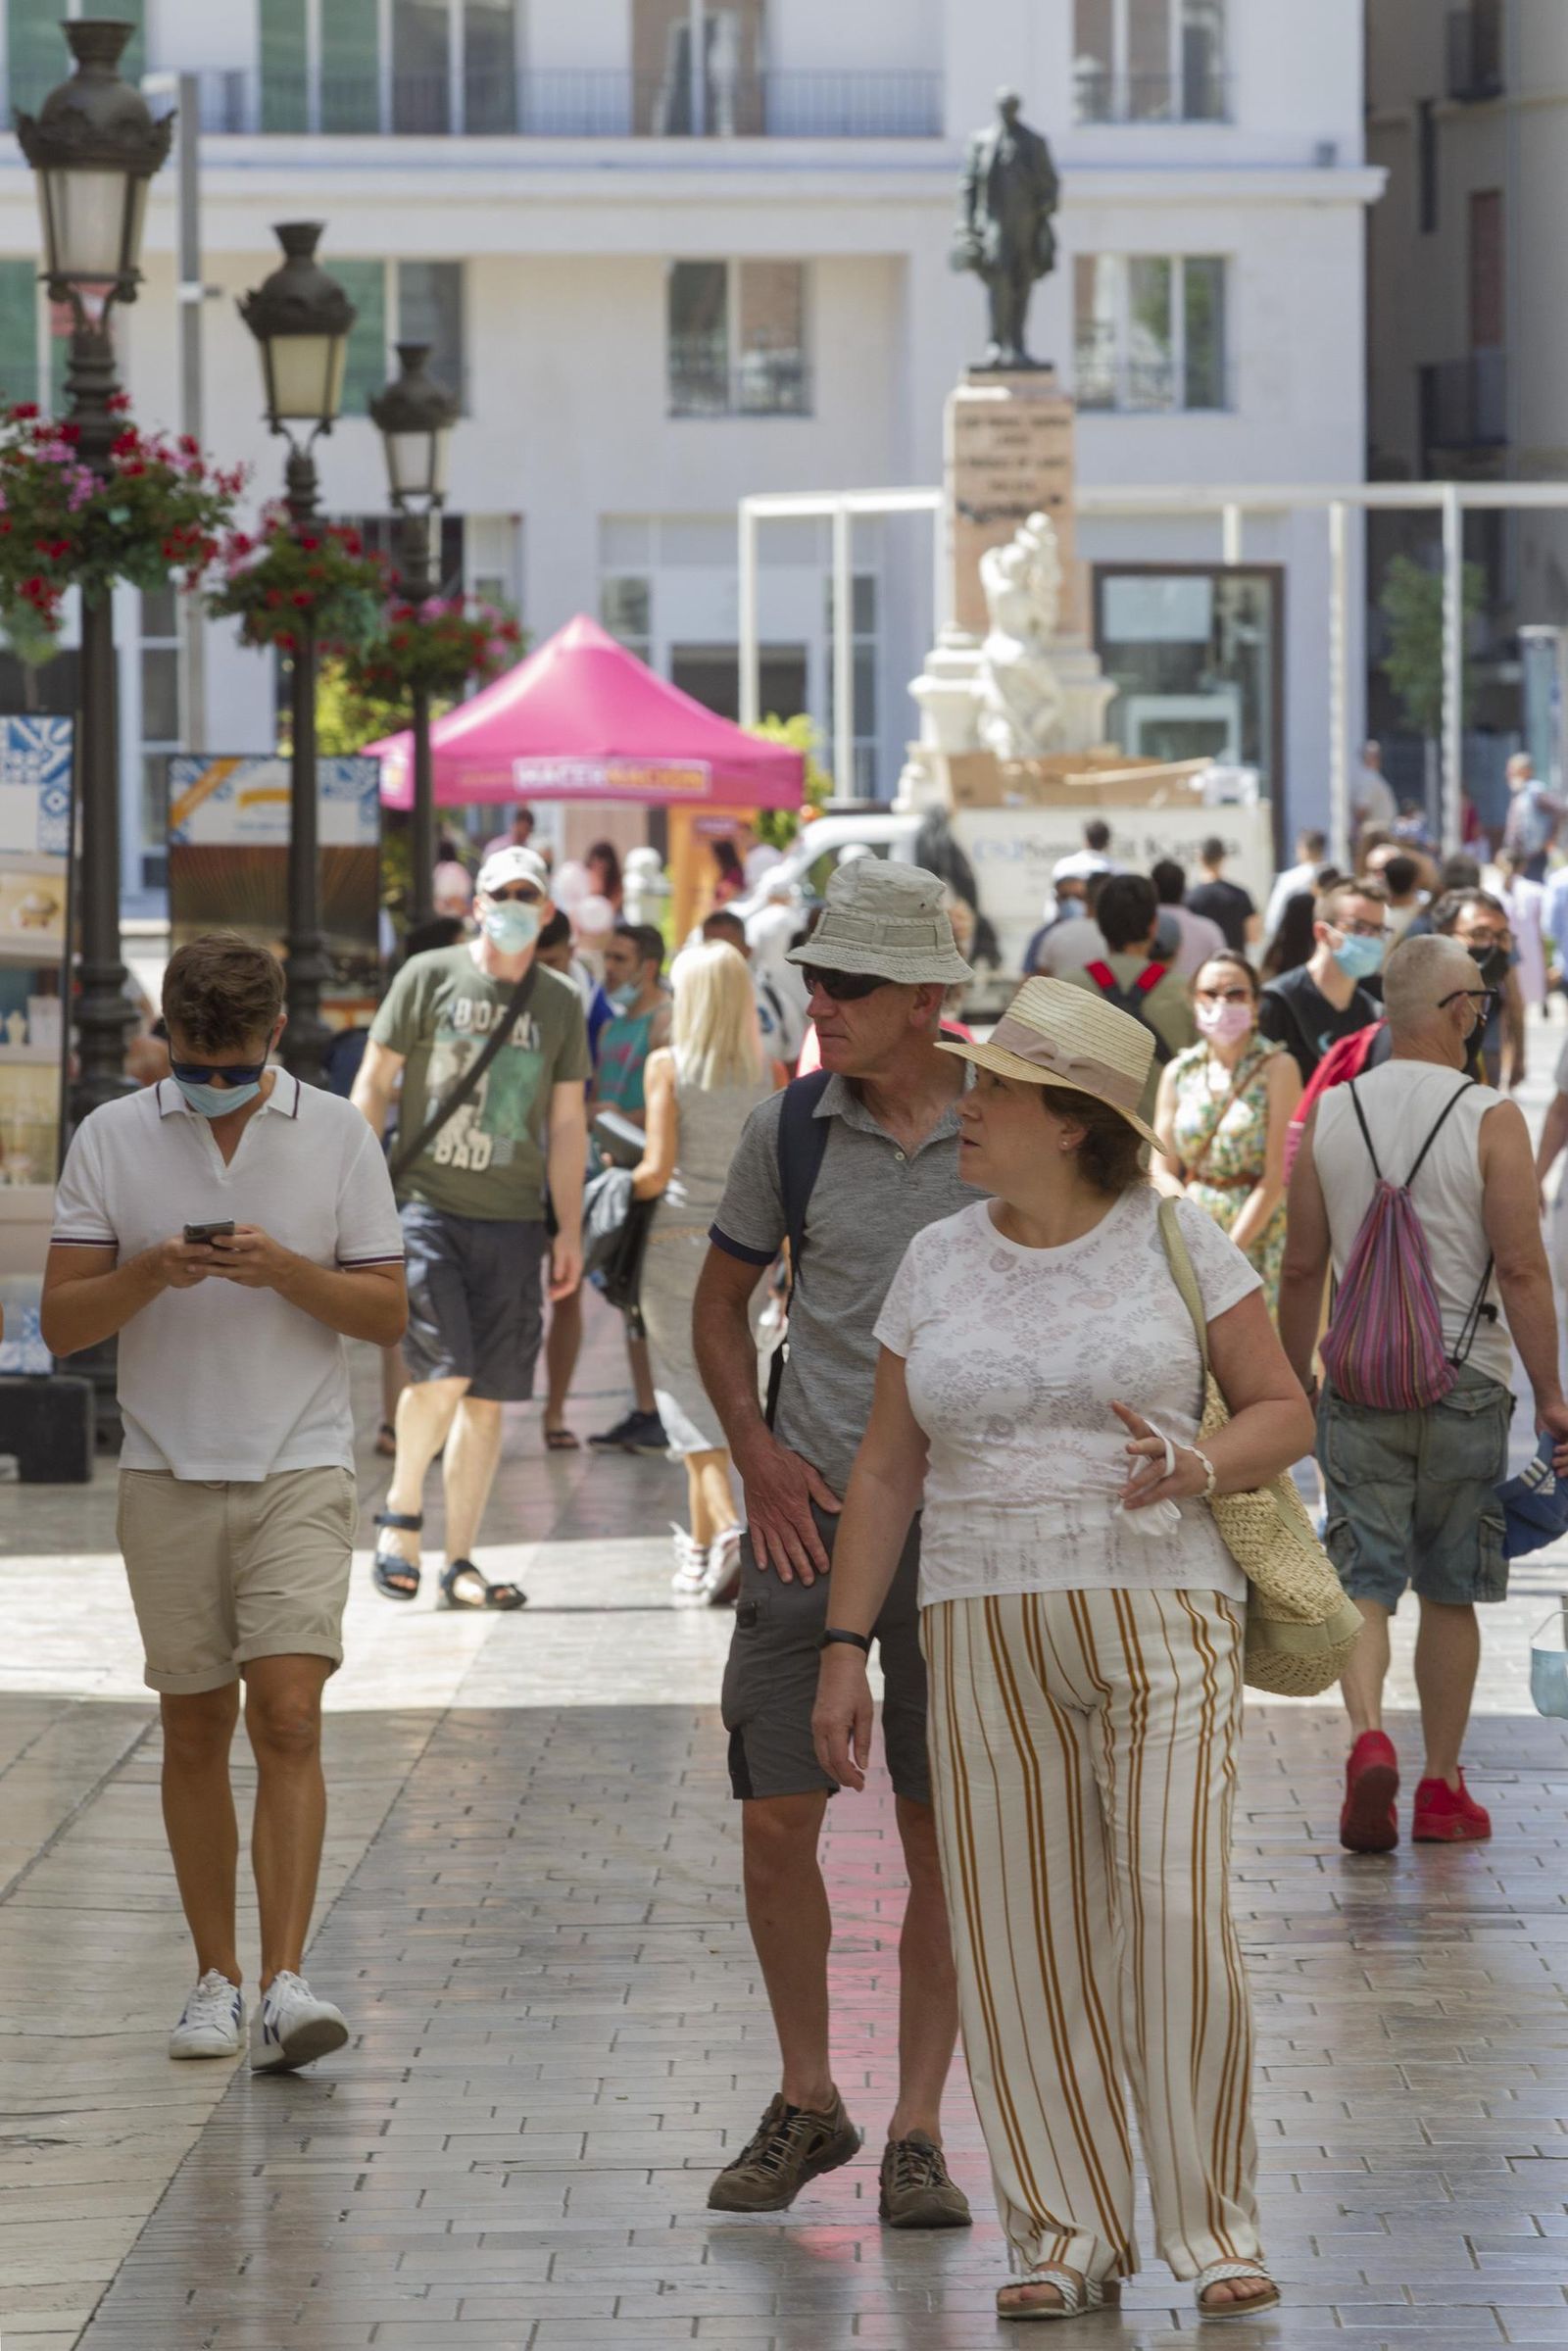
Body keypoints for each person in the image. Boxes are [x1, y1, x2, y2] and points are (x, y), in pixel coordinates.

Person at [812, 975, 1308, 2322]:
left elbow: (1282, 1408)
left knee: (1175, 1909)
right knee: (1016, 1930)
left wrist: (1200, 1461)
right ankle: (1065, 2231)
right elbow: (887, 1466)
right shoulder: (937, 1258)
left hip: (1163, 1608)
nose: (966, 1105)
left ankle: (1212, 2225)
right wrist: (845, 1645)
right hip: (976, 1617)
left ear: (1077, 1121)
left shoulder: (1182, 1238)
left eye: (997, 1088)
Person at [42, 935, 407, 2071]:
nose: (212, 1082)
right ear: (164, 1037)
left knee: (289, 1713)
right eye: (192, 1063)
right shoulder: (111, 1135)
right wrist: (150, 1270)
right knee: (193, 1722)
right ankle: (217, 1975)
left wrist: (285, 1269)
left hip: (300, 1460)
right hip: (164, 1465)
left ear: (276, 1038)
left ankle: (287, 1982)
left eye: (233, 1065)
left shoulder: (338, 1133)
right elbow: (62, 1321)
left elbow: (386, 1313)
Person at [692, 858, 975, 2230]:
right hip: (808, 1515)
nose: (821, 1000)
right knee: (774, 1813)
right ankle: (809, 2094)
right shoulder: (789, 1127)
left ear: (926, 997)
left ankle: (918, 2124)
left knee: (941, 1825)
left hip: (964, 1523)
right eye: (814, 975)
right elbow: (717, 1303)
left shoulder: (1007, 1123)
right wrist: (754, 1451)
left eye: (850, 981)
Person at [1281, 932, 1568, 1852]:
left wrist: (1284, 1387)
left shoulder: (1332, 1113)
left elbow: (1301, 1267)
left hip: (1357, 1380)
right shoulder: (1492, 1116)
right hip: (1467, 1381)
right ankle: (1442, 1787)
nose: (1483, 1013)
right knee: (1451, 1587)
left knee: (1361, 1575)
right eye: (1479, 1000)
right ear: (1455, 1010)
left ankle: (1368, 1735)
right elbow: (1521, 1269)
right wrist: (1552, 1395)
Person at [352, 846, 589, 1607]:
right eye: (501, 892)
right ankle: (401, 1514)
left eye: (528, 893)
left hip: (514, 1219)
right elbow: (373, 1083)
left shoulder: (560, 1002)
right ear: (477, 904)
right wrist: (357, 1190)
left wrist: (569, 1229)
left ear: (546, 910)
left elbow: (567, 1124)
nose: (514, 904)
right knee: (445, 1368)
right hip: (427, 1206)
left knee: (487, 1397)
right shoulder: (428, 976)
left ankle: (459, 1562)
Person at [634, 943, 784, 1604]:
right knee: (726, 1383)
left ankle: (727, 1529)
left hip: (674, 1243)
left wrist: (607, 1185)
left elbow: (655, 1170)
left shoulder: (668, 1067)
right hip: (746, 1251)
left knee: (681, 1385)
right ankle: (699, 1553)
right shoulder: (770, 1072)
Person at [1155, 953, 1301, 1316]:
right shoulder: (1179, 1072)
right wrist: (1194, 1232)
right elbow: (1160, 1167)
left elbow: (1275, 1175)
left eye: (1235, 993)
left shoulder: (1278, 1067)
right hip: (1190, 1234)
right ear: (1194, 1001)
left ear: (1255, 1003)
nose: (1222, 1002)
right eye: (1210, 993)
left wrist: (1228, 1253)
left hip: (1256, 1234)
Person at [587, 922, 672, 1456]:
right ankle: (646, 1408)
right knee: (627, 1297)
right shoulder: (611, 1029)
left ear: (648, 966)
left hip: (651, 1177)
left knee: (648, 1299)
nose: (610, 970)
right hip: (615, 1174)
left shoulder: (665, 1022)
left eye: (620, 959)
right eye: (608, 959)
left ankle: (663, 1409)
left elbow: (671, 1104)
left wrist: (617, 1118)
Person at [1062, 872, 1196, 1118]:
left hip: (1085, 1135)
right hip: (1160, 1136)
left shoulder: (1066, 987)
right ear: (1154, 926)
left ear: (1099, 925)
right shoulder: (1185, 991)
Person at [1258, 877, 1390, 1082]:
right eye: (1359, 928)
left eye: (1378, 930)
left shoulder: (1374, 1008)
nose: (1370, 939)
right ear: (1322, 932)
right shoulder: (1278, 1001)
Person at [702, 907, 806, 1066]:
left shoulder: (775, 1001)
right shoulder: (687, 1002)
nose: (719, 956)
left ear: (747, 950)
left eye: (727, 947)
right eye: (710, 946)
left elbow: (793, 1058)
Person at [1151, 855, 1226, 977]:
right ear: (1183, 888)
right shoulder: (1209, 929)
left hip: (1146, 987)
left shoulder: (1142, 929)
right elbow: (1222, 968)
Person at [1185, 835, 1260, 954]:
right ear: (1223, 858)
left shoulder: (1188, 897)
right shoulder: (1240, 894)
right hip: (1233, 961)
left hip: (1202, 963)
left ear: (1200, 858)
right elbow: (1253, 937)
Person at [1497, 850, 1548, 1010]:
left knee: (1513, 1002)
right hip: (1513, 950)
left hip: (1519, 951)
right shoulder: (1534, 890)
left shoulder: (1533, 891)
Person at [1501, 751, 1560, 883]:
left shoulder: (1535, 792)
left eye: (1513, 770)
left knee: (1533, 887)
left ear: (1526, 771)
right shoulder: (1520, 792)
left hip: (1534, 855)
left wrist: (1551, 839)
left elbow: (1559, 810)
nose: (1508, 774)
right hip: (1519, 856)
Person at [1263, 828, 1329, 941]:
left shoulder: (1290, 878)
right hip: (1327, 938)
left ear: (1304, 849)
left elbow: (1274, 919)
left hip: (1297, 939)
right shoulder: (1336, 875)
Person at [1352, 738, 1396, 831]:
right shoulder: (1368, 778)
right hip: (1374, 832)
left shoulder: (1371, 776)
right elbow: (1362, 807)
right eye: (1375, 755)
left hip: (1380, 830)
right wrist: (1356, 830)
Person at [585, 839, 624, 914]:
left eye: (603, 861)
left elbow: (612, 909)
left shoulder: (617, 885)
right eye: (596, 861)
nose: (599, 865)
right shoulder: (584, 880)